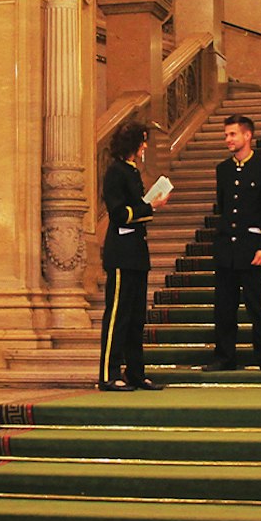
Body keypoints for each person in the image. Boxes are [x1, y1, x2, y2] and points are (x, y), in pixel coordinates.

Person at [205, 114, 261, 372]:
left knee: (259, 306)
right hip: (227, 248)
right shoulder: (223, 170)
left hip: (253, 248)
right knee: (224, 308)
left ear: (247, 135)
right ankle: (224, 357)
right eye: (226, 134)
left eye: (232, 134)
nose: (228, 139)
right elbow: (226, 208)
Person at [99, 120, 168, 391]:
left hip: (137, 254)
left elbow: (136, 209)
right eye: (142, 140)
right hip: (120, 254)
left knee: (136, 317)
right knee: (118, 315)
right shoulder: (115, 171)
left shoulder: (132, 171)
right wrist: (148, 206)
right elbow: (119, 213)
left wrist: (149, 205)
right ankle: (109, 373)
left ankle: (136, 372)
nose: (145, 146)